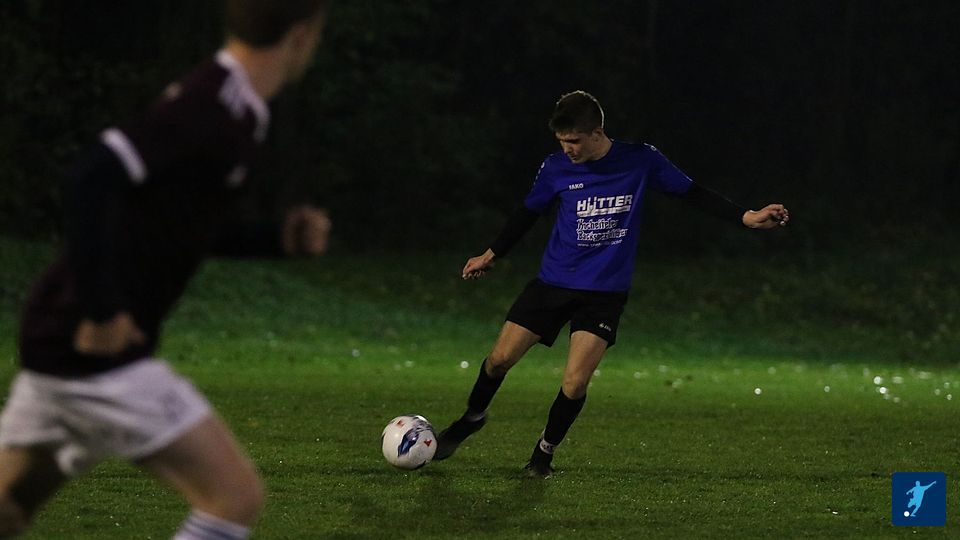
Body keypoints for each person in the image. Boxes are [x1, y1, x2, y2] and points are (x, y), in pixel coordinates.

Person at [0, 1, 329, 538]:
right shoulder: (213, 103)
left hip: (61, 335)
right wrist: (103, 311)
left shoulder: (239, 108)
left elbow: (180, 229)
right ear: (303, 34)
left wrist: (274, 240)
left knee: (8, 510)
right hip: (94, 348)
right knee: (233, 498)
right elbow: (90, 178)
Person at [434, 90, 790, 478]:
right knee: (500, 359)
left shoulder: (640, 159)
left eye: (574, 141)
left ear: (597, 132)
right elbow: (527, 213)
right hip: (552, 284)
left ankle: (543, 454)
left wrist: (746, 216)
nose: (567, 149)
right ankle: (472, 418)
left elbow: (692, 192)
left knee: (575, 382)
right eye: (562, 141)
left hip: (603, 293)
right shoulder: (555, 167)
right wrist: (491, 254)